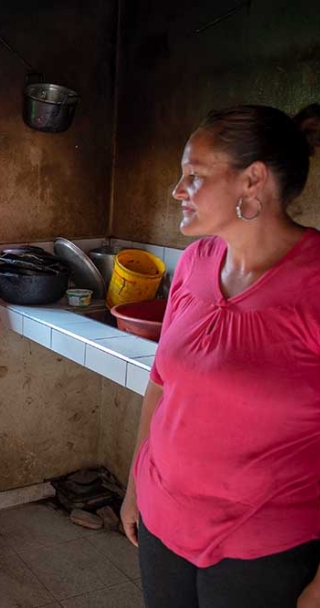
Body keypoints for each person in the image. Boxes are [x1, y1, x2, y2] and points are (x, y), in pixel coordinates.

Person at [118, 103, 320, 608]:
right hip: (163, 519)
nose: (177, 190)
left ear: (253, 181)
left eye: (194, 175)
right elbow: (161, 386)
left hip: (262, 547)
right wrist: (134, 487)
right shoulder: (194, 263)